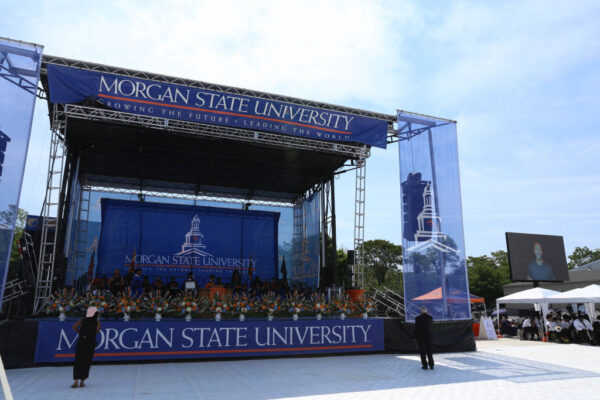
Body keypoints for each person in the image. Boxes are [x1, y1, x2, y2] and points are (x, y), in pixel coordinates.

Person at [71, 306, 101, 388]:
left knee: (78, 361)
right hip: (90, 343)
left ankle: (76, 381)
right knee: (86, 361)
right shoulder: (97, 322)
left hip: (82, 342)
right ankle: (82, 381)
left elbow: (74, 327)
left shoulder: (83, 319)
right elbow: (98, 331)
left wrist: (80, 333)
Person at [414, 306, 434, 370]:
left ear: (421, 311)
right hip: (429, 337)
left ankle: (425, 366)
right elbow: (431, 328)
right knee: (429, 352)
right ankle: (431, 365)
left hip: (421, 337)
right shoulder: (430, 318)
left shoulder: (417, 318)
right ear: (426, 311)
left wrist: (415, 337)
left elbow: (416, 329)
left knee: (422, 352)